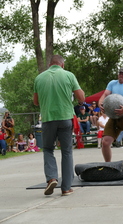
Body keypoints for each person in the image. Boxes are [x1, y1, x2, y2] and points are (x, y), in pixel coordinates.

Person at [33, 54, 85, 196]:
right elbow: (81, 98)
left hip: (48, 119)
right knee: (66, 151)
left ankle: (52, 178)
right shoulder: (68, 75)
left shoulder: (39, 78)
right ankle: (66, 187)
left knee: (48, 149)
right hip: (65, 118)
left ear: (50, 64)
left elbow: (36, 102)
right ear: (62, 65)